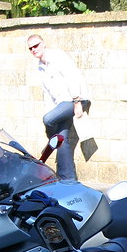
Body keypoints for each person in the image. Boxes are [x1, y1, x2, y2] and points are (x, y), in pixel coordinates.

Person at [27, 34, 89, 181]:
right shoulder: (41, 67)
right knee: (62, 139)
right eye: (30, 48)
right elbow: (48, 95)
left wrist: (77, 101)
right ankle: (67, 178)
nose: (33, 50)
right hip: (61, 104)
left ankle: (51, 143)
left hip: (75, 99)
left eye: (36, 46)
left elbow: (72, 76)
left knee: (48, 120)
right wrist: (52, 111)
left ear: (43, 44)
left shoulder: (57, 56)